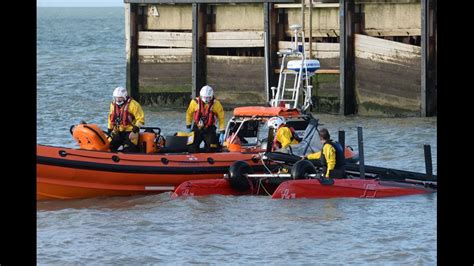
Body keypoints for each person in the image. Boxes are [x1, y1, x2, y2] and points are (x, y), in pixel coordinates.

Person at [185, 85, 225, 153]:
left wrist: (222, 132)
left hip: (210, 128)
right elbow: (189, 114)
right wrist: (188, 126)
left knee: (211, 147)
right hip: (197, 128)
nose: (206, 100)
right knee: (191, 147)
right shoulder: (194, 102)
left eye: (208, 98)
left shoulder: (216, 104)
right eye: (205, 98)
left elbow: (221, 118)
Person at [107, 86, 145, 152]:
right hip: (118, 131)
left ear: (124, 97)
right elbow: (110, 118)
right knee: (109, 146)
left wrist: (134, 131)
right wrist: (110, 130)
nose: (118, 100)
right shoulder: (113, 105)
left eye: (120, 98)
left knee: (128, 149)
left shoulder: (134, 105)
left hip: (131, 131)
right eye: (116, 98)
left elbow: (140, 119)